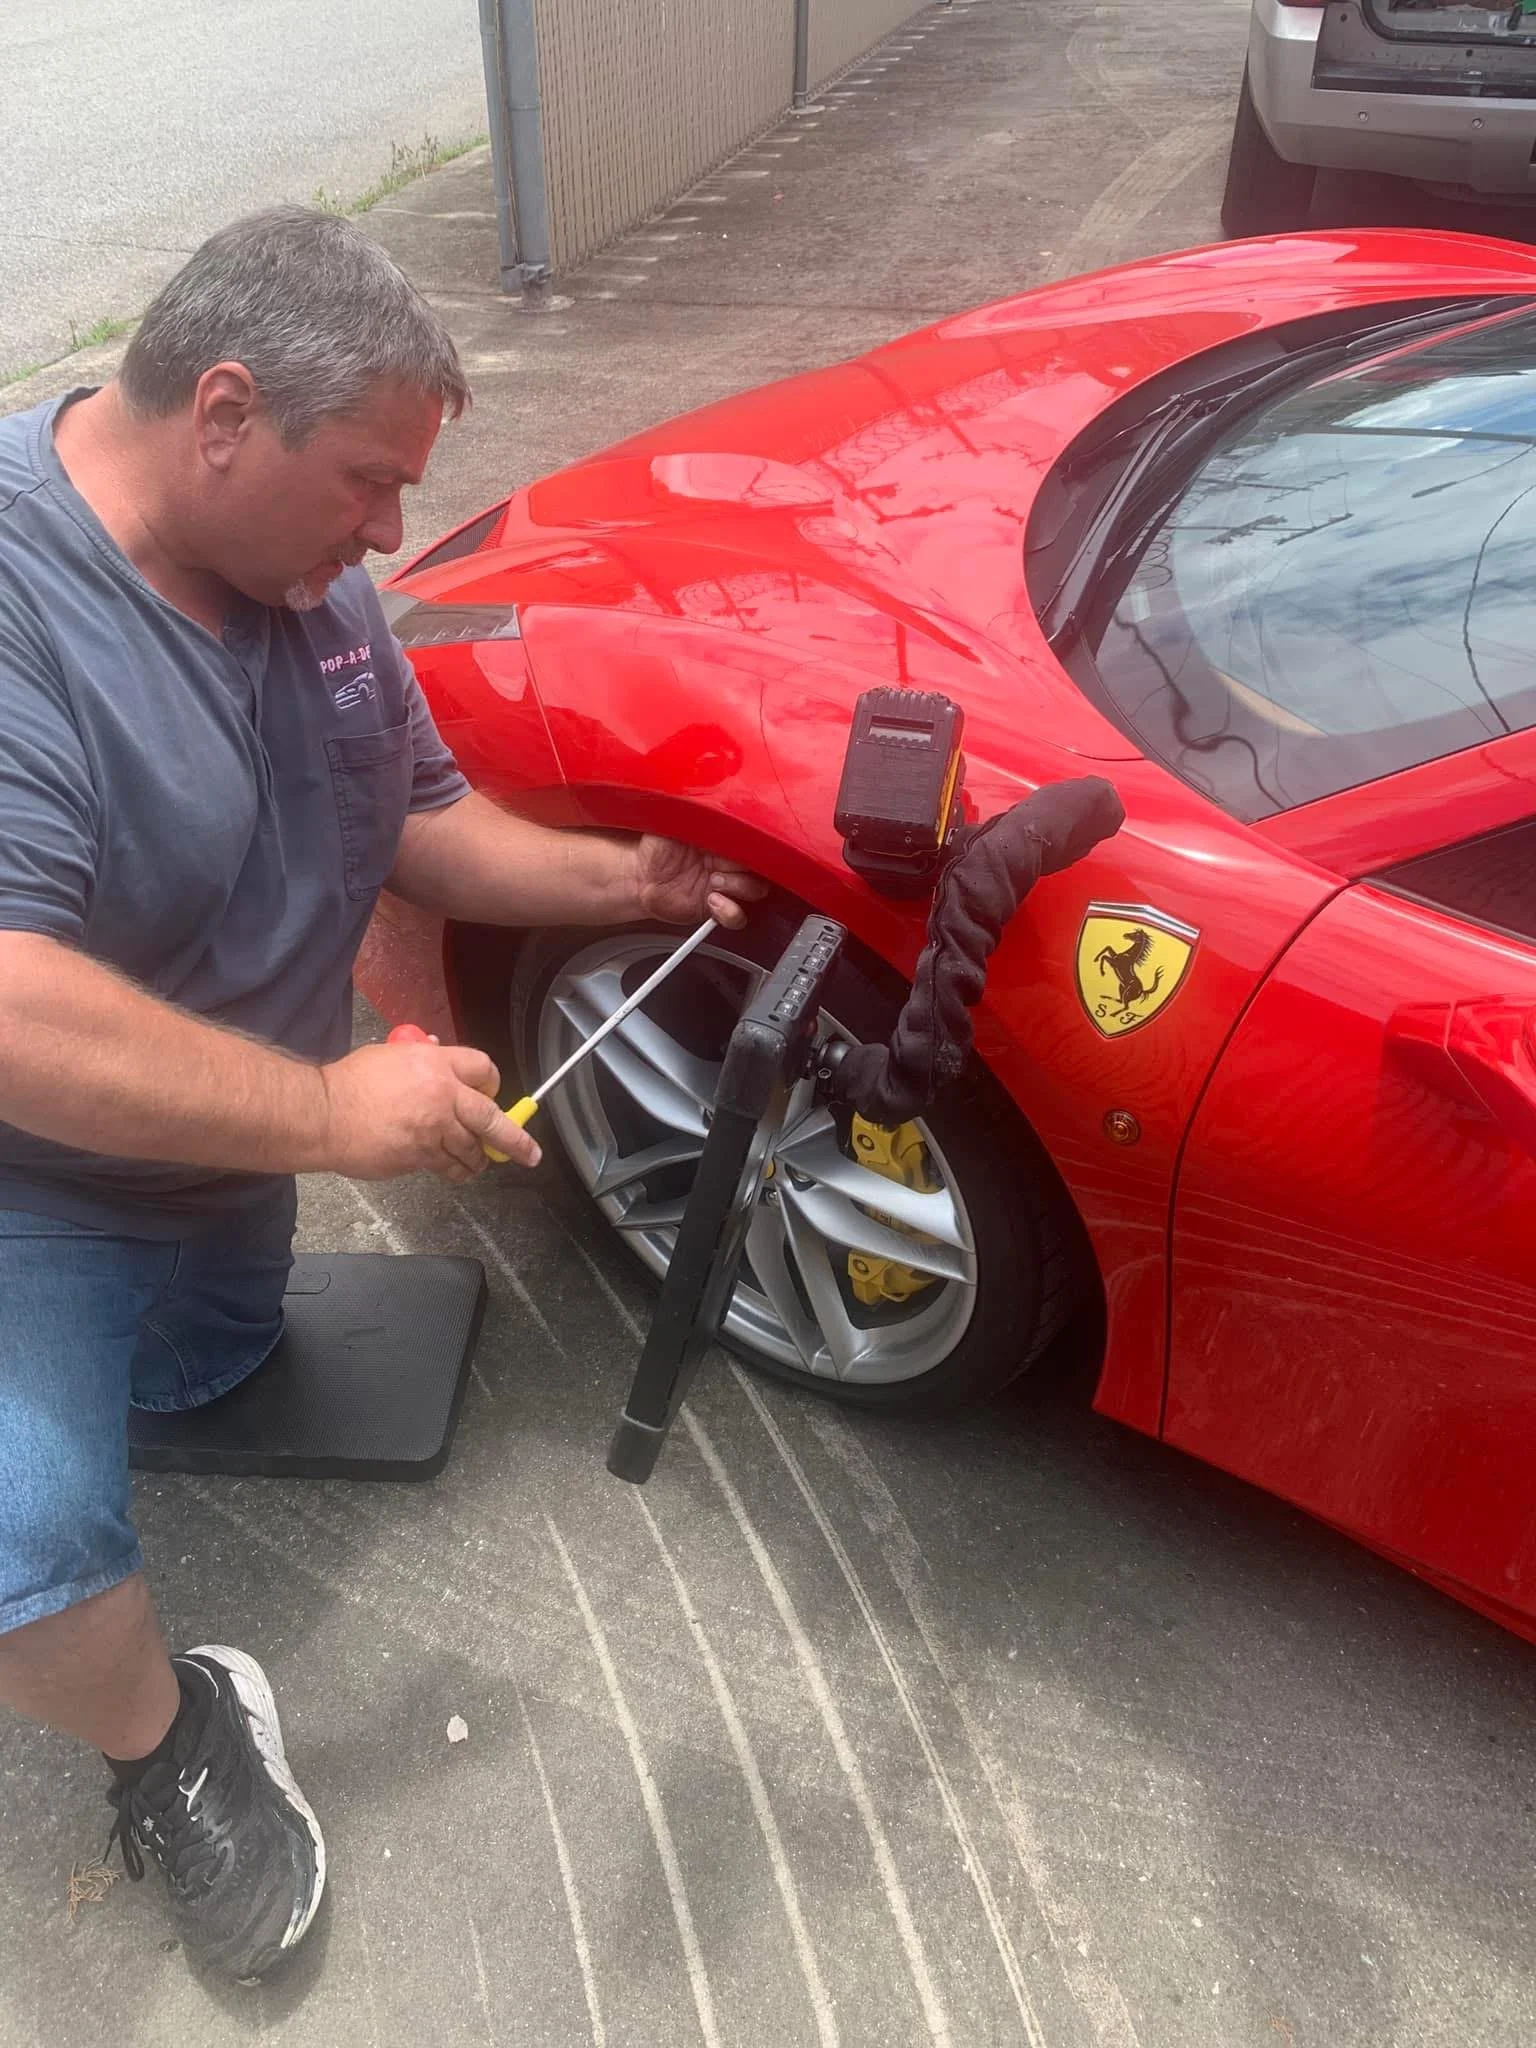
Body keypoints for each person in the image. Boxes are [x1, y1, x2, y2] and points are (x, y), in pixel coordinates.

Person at [0, 206, 761, 1982]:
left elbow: (410, 815)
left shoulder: (309, 584)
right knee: (32, 1539)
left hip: (223, 1180)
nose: (388, 535)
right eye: (365, 482)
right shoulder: (26, 614)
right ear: (222, 410)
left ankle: (151, 1372)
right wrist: (336, 1116)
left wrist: (631, 887)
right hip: (34, 1182)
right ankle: (170, 1742)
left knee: (204, 1373)